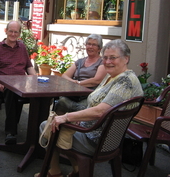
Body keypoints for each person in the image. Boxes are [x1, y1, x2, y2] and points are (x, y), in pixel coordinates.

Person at [35, 39, 144, 177]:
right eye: (105, 58)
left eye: (113, 58)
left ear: (126, 59)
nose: (108, 61)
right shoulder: (113, 76)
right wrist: (80, 118)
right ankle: (76, 170)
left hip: (96, 139)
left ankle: (56, 172)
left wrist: (66, 117)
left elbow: (101, 111)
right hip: (100, 133)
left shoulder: (125, 82)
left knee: (48, 126)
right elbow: (96, 105)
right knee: (56, 120)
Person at [0, 20, 37, 145]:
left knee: (42, 95)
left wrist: (36, 79)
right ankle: (11, 132)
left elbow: (29, 67)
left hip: (22, 83)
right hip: (4, 85)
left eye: (16, 32)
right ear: (6, 31)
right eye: (11, 31)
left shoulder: (22, 47)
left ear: (19, 33)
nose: (13, 34)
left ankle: (36, 133)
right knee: (12, 91)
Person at [54, 34, 107, 114]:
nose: (90, 47)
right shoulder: (80, 61)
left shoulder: (102, 62)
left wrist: (79, 83)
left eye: (94, 45)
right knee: (61, 102)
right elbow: (64, 76)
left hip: (88, 97)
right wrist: (74, 82)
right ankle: (54, 124)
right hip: (74, 95)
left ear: (99, 48)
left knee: (81, 109)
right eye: (88, 44)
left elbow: (96, 80)